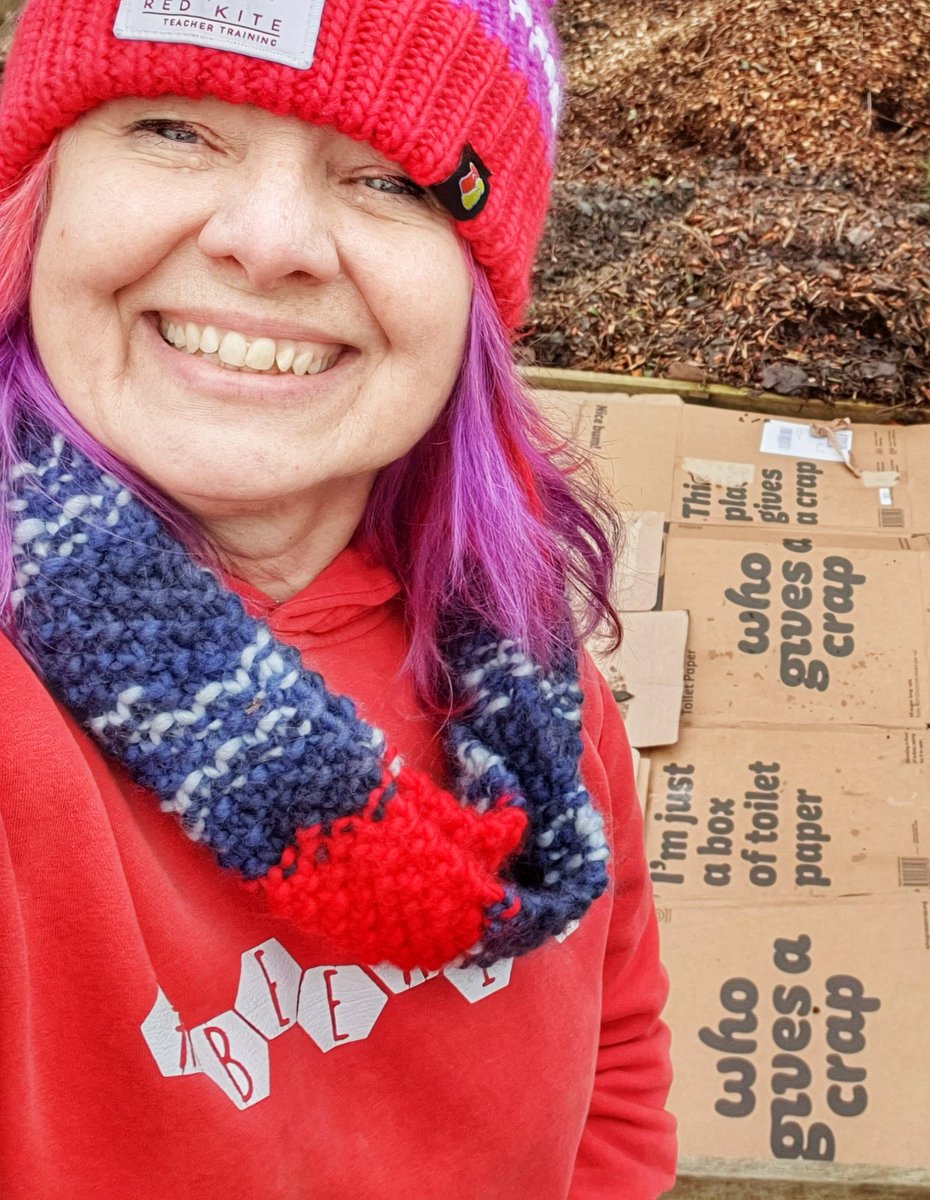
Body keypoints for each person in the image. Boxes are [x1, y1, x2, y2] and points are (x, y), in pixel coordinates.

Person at [0, 1, 678, 1196]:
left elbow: (617, 1050)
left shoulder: (513, 672)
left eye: (389, 179)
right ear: (38, 191)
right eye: (172, 128)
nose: (269, 243)